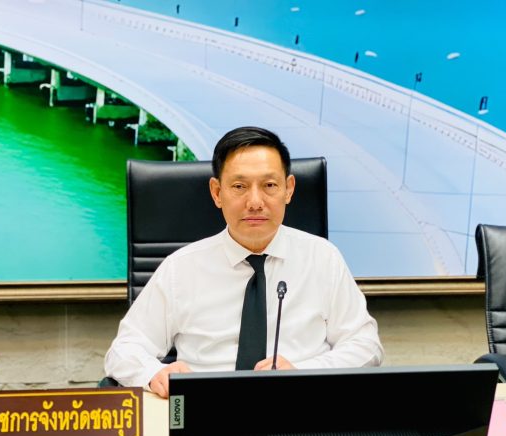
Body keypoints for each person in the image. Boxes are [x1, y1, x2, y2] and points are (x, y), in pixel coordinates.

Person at [105, 126, 383, 397]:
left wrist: (303, 372)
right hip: (207, 412)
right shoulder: (180, 268)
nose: (255, 202)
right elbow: (124, 349)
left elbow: (366, 345)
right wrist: (155, 373)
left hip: (301, 406)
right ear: (217, 192)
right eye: (239, 186)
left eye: (269, 185)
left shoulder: (323, 258)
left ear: (288, 189)